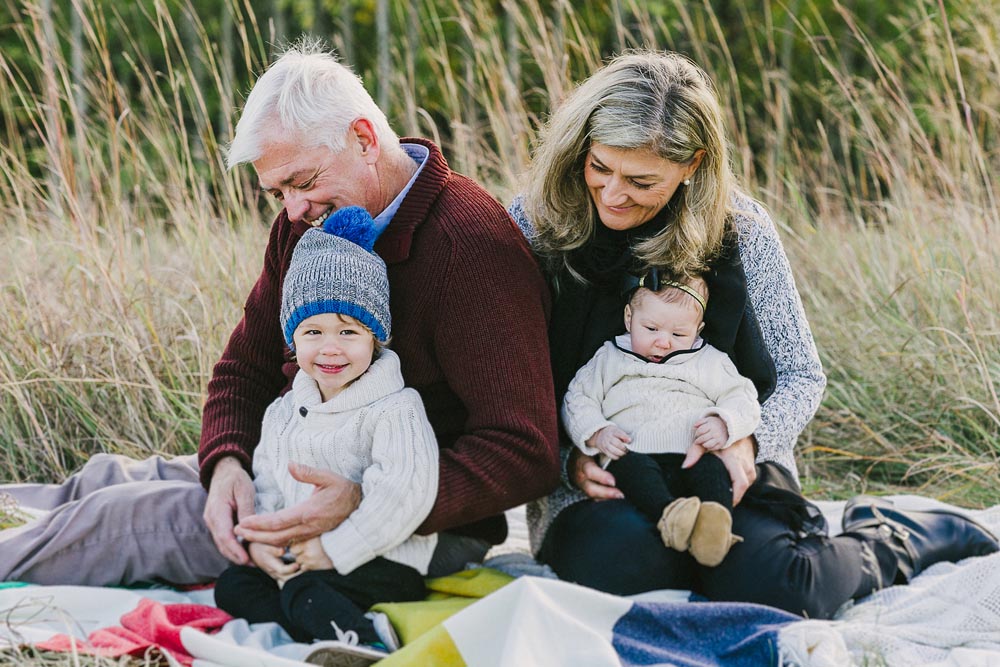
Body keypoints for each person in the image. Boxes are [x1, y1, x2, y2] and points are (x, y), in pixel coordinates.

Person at [0, 40, 559, 587]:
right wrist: (225, 466)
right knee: (106, 479)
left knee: (117, 522)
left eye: (303, 181)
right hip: (290, 459)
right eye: (277, 193)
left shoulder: (471, 245)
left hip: (406, 520)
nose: (293, 210)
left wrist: (364, 501)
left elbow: (524, 449)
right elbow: (245, 366)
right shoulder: (305, 226)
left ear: (363, 139)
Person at [509, 49, 998, 619]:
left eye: (641, 181)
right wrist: (569, 460)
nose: (614, 194)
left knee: (780, 586)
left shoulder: (742, 230)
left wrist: (749, 443)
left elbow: (800, 374)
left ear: (692, 164)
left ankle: (893, 538)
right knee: (620, 568)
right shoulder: (534, 226)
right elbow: (510, 384)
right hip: (609, 472)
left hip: (726, 459)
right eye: (600, 168)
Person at [213, 206, 435, 651]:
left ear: (376, 336)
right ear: (292, 340)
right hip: (307, 558)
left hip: (379, 557)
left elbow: (403, 495)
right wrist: (265, 542)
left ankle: (363, 645)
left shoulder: (395, 409)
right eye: (312, 332)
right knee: (234, 585)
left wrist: (333, 551)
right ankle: (325, 625)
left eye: (349, 332)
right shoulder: (284, 410)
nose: (330, 348)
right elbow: (269, 484)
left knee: (301, 591)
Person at [562, 273, 759, 567]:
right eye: (651, 328)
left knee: (712, 473)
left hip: (692, 451)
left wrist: (724, 422)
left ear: (698, 328)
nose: (663, 342)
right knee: (632, 471)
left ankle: (714, 528)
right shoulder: (609, 357)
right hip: (633, 449)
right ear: (629, 318)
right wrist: (596, 432)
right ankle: (670, 515)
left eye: (679, 334)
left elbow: (742, 396)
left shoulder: (709, 360)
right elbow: (577, 398)